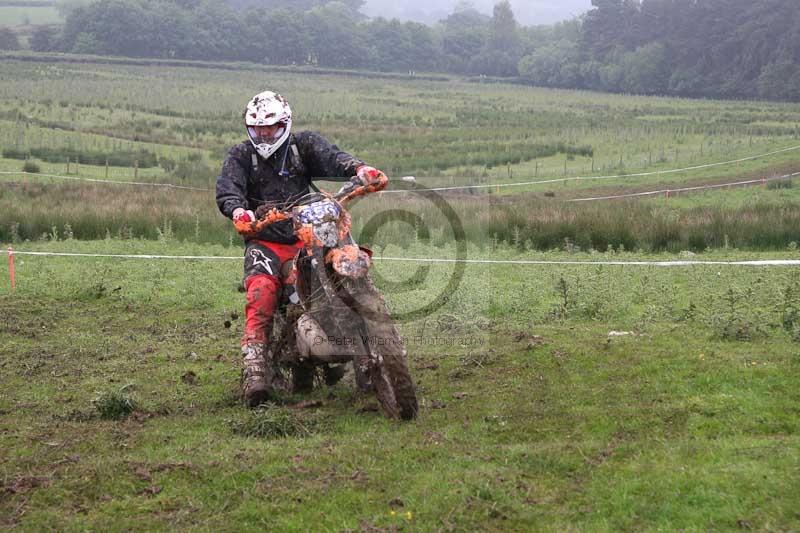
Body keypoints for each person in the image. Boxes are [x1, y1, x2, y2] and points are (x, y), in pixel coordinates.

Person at [216, 90, 388, 407]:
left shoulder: (302, 146)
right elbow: (229, 188)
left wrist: (359, 169)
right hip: (264, 241)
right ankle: (255, 370)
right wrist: (239, 211)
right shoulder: (241, 155)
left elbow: (333, 156)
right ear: (249, 129)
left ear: (285, 124)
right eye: (257, 129)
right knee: (262, 292)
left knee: (338, 279)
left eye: (271, 128)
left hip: (307, 234)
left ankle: (367, 355)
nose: (265, 134)